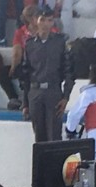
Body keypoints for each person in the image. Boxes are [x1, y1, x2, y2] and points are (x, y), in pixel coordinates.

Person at [21, 8, 74, 143]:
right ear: (35, 21)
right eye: (42, 20)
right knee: (39, 136)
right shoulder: (29, 44)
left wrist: (66, 96)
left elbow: (68, 71)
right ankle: (42, 165)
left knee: (54, 136)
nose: (45, 24)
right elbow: (25, 75)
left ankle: (55, 165)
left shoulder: (60, 42)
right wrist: (25, 103)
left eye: (49, 20)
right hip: (35, 91)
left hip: (53, 91)